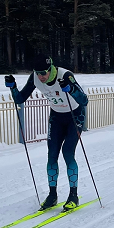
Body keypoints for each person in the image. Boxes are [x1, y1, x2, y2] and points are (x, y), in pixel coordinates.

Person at [5, 54, 88, 211]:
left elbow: (84, 100)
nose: (41, 76)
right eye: (38, 73)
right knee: (52, 154)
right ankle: (52, 195)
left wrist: (70, 89)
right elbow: (20, 99)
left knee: (68, 152)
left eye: (44, 72)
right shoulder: (35, 77)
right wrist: (12, 87)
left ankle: (73, 196)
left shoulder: (65, 75)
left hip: (74, 115)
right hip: (56, 116)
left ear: (51, 69)